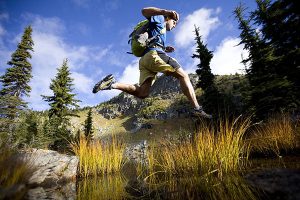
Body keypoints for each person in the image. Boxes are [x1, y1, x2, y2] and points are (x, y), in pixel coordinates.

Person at [93, 7, 212, 119]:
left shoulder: (159, 30)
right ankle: (197, 108)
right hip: (154, 55)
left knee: (142, 93)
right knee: (184, 75)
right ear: (168, 18)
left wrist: (165, 48)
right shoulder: (161, 19)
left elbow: (151, 42)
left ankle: (112, 84)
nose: (175, 25)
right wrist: (165, 12)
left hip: (145, 60)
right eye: (174, 22)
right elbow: (144, 11)